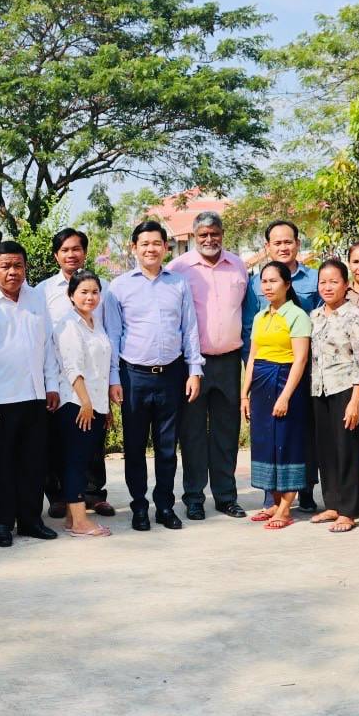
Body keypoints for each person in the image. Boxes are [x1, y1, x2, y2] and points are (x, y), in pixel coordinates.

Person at [104, 220, 203, 531]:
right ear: (134, 247)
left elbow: (189, 329)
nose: (151, 249)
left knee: (167, 447)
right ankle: (139, 507)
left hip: (171, 374)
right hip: (133, 376)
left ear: (165, 247)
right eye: (144, 244)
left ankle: (164, 506)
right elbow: (113, 335)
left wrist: (194, 370)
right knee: (134, 448)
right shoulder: (119, 287)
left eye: (156, 243)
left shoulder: (178, 284)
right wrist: (113, 378)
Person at [0, 241, 61, 547]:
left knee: (33, 463)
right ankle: (1, 523)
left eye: (18, 265)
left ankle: (31, 520)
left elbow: (47, 345)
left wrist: (52, 384)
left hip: (34, 395)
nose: (12, 272)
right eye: (5, 266)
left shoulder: (36, 299)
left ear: (25, 267)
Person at [168, 211, 249, 521]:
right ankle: (194, 498)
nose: (209, 239)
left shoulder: (238, 266)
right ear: (193, 236)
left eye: (214, 233)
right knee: (192, 434)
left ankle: (226, 497)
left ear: (222, 234)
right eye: (203, 234)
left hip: (229, 361)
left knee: (226, 432)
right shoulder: (178, 268)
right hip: (193, 365)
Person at [243, 220, 318, 512]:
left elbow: (301, 357)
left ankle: (293, 500)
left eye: (288, 241)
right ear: (267, 247)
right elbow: (252, 353)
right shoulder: (260, 312)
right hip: (262, 380)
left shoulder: (299, 309)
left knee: (291, 437)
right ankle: (272, 500)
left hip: (290, 375)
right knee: (265, 439)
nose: (268, 286)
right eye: (265, 282)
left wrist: (285, 394)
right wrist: (244, 393)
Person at [40, 227, 114, 519]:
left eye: (77, 249)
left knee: (89, 448)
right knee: (65, 448)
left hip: (95, 383)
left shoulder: (103, 288)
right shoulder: (44, 291)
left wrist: (106, 393)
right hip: (68, 385)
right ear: (56, 255)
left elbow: (108, 338)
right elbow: (48, 343)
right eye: (65, 250)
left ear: (85, 252)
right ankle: (64, 500)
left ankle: (91, 495)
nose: (71, 254)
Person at [307, 258, 359, 533]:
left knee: (348, 449)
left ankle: (349, 510)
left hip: (346, 390)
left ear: (346, 285)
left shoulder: (356, 316)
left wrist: (356, 401)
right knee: (327, 450)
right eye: (323, 282)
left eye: (334, 281)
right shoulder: (315, 316)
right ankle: (332, 504)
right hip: (319, 389)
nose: (327, 286)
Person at [54, 270, 114, 538]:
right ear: (71, 295)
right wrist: (86, 403)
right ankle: (80, 522)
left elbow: (100, 369)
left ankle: (72, 518)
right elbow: (72, 368)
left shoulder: (95, 322)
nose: (90, 297)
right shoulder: (69, 325)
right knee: (76, 463)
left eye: (95, 292)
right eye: (84, 292)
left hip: (95, 405)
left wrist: (104, 407)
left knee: (82, 460)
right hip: (76, 404)